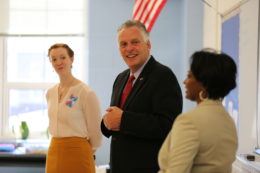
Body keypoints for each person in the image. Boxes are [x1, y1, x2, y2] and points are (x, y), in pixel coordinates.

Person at [101, 20, 183, 173]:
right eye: (123, 44)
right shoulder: (121, 78)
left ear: (148, 44)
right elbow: (116, 117)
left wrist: (123, 119)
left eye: (135, 42)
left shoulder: (163, 75)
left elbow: (168, 125)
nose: (129, 48)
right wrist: (106, 122)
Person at [158, 49, 238, 173]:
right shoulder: (228, 121)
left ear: (204, 84)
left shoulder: (189, 121)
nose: (185, 81)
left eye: (189, 76)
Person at [45, 43, 102, 173]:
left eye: (62, 57)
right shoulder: (50, 93)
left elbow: (96, 136)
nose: (58, 62)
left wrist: (79, 148)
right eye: (54, 59)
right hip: (54, 152)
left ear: (72, 59)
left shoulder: (85, 93)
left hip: (78, 154)